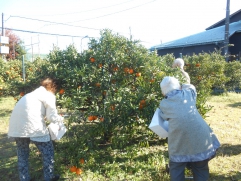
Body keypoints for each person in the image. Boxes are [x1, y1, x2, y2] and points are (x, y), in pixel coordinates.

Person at [159, 58, 220, 181]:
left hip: (179, 142)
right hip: (200, 139)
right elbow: (188, 81)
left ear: (163, 93)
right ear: (180, 87)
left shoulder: (164, 104)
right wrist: (181, 68)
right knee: (200, 167)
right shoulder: (189, 93)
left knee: (176, 167)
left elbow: (164, 120)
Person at [8, 77, 64, 181]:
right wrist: (61, 119)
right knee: (48, 152)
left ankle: (24, 178)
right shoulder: (49, 95)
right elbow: (51, 117)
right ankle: (49, 177)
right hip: (33, 126)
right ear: (53, 87)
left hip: (17, 126)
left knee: (22, 154)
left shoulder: (31, 94)